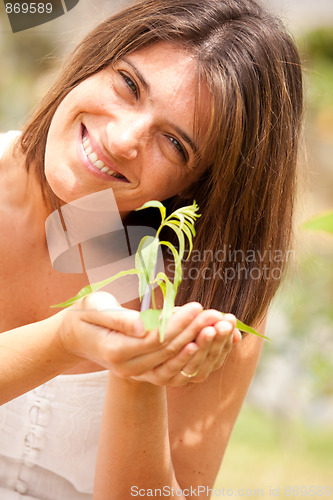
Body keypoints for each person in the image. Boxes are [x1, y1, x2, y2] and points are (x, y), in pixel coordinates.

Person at [0, 0, 303, 498]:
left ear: (200, 184)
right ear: (98, 57)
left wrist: (139, 374)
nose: (122, 139)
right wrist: (63, 341)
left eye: (175, 143)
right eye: (129, 85)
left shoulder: (209, 292)